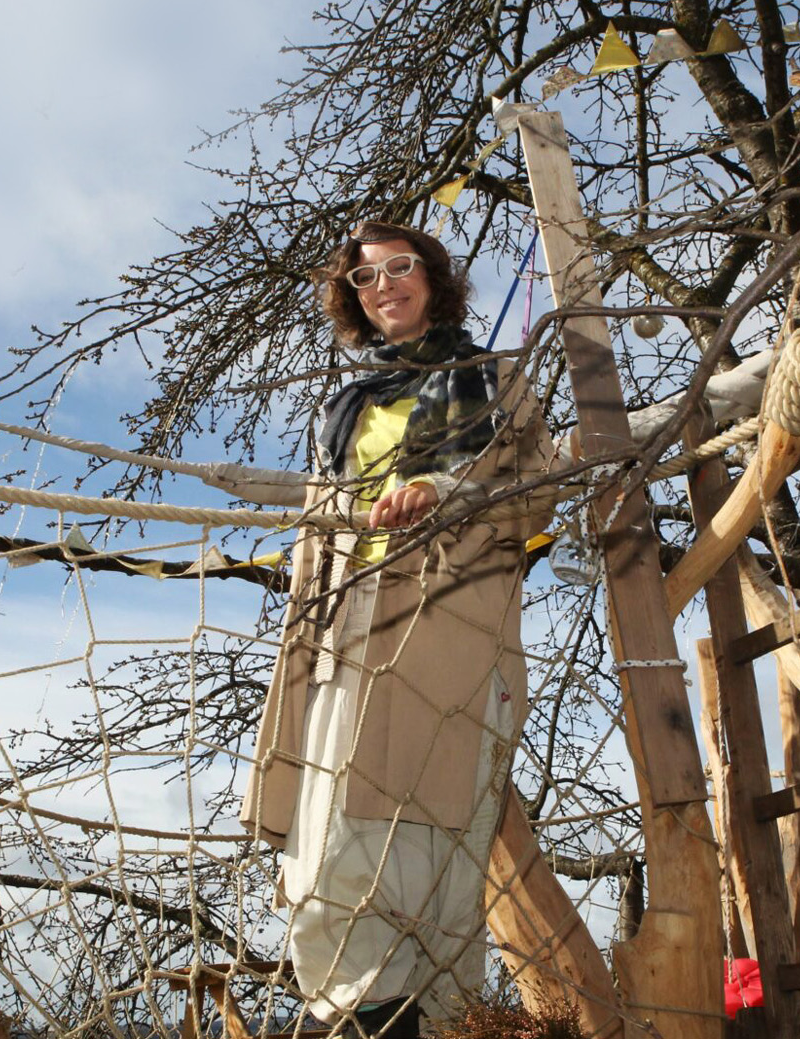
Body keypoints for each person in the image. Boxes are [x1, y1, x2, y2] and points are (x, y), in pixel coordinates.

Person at [240, 221, 558, 1038]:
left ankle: (418, 1013)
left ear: (434, 276)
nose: (382, 285)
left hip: (448, 619)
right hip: (347, 624)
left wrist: (445, 488)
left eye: (398, 267)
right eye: (363, 278)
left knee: (436, 828)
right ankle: (349, 1008)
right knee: (332, 827)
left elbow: (539, 495)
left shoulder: (492, 377)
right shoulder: (341, 406)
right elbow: (321, 523)